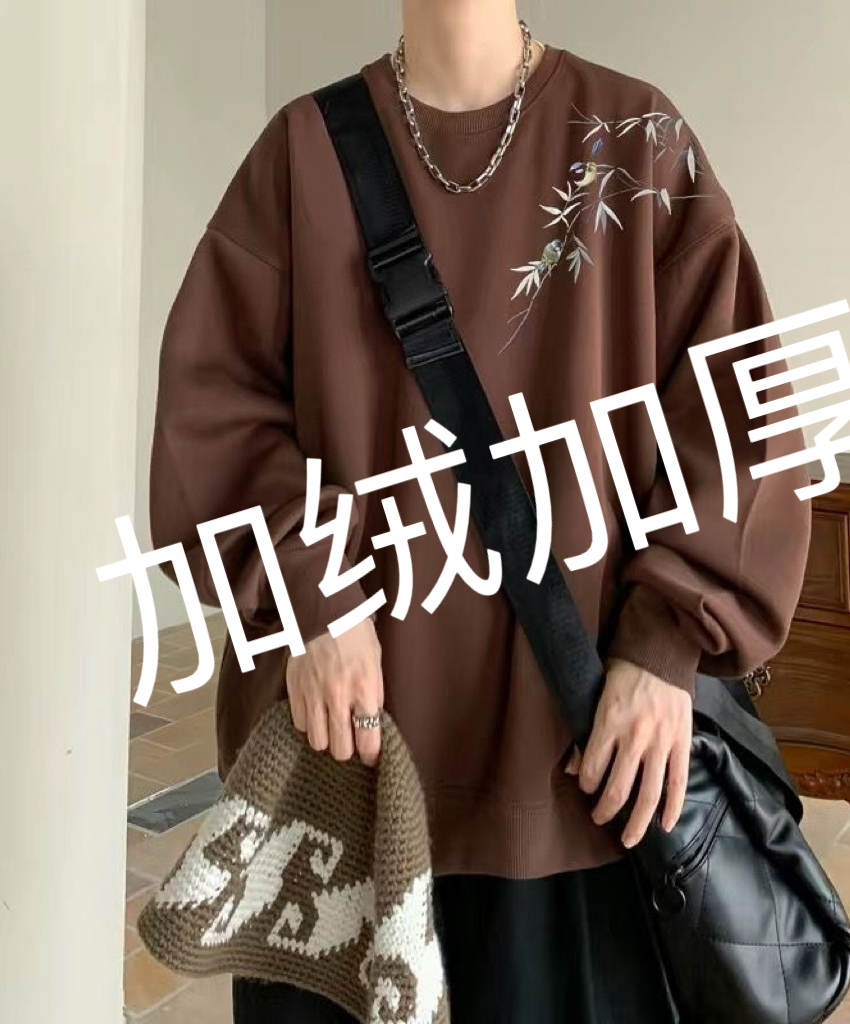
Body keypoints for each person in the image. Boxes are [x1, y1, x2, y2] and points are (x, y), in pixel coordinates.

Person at [149, 2, 812, 1021]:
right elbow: (213, 411)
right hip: (346, 771)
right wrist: (313, 594)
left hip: (574, 767)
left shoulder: (635, 141)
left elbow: (739, 411)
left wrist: (665, 641)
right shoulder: (301, 154)